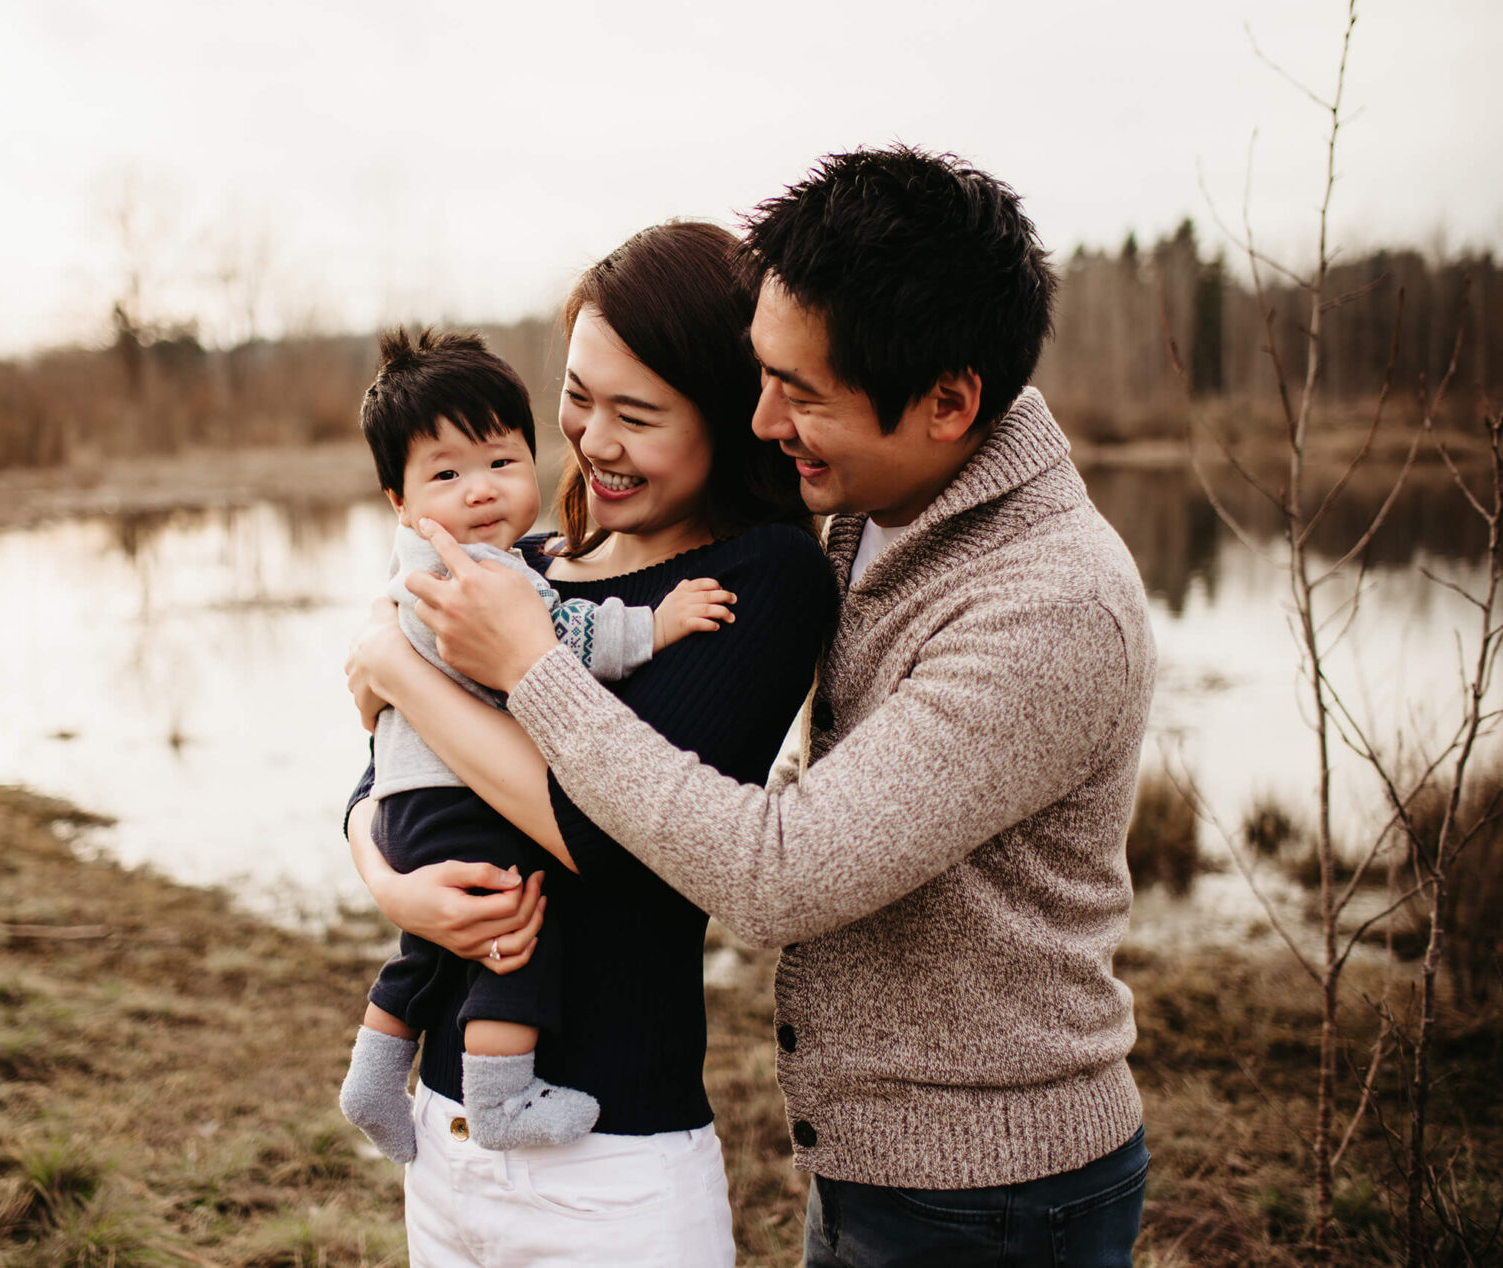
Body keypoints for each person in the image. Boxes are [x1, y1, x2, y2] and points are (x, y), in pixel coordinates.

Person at [359, 147, 1159, 1267]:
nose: (765, 418)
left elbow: (776, 870)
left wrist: (504, 666)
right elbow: (403, 759)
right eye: (760, 378)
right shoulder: (864, 511)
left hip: (995, 1188)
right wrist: (386, 863)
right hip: (871, 1159)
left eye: (796, 392)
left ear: (948, 402)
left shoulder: (1047, 607)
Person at [344, 220, 833, 1265]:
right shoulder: (525, 559)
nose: (593, 439)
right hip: (444, 1142)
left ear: (728, 415)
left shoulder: (759, 582)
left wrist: (394, 669)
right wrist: (388, 882)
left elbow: (601, 831)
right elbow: (383, 771)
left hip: (611, 1170)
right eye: (577, 395)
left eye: (637, 413)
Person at [340, 325, 738, 1162]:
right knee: (522, 923)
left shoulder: (460, 565)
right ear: (400, 501)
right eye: (447, 475)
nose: (479, 491)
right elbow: (559, 639)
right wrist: (655, 626)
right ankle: (501, 1094)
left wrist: (383, 862)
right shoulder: (477, 576)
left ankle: (375, 1075)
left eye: (499, 462)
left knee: (430, 943)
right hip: (453, 803)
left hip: (415, 807)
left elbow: (383, 727)